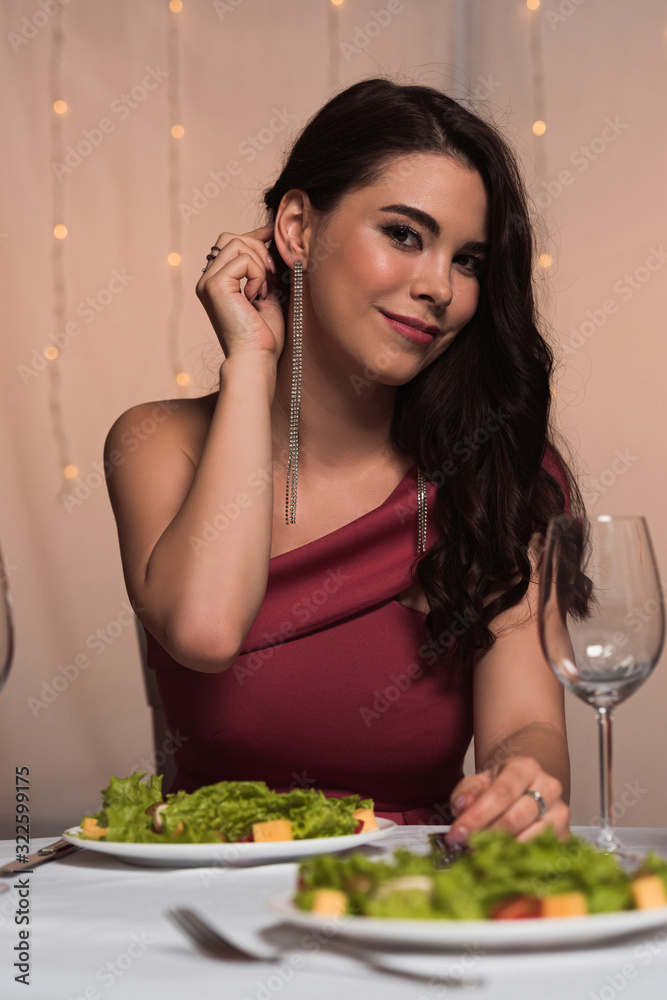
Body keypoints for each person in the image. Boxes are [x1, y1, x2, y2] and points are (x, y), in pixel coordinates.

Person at [104, 77, 582, 844]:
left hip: (406, 897)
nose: (437, 288)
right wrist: (251, 364)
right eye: (402, 234)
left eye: (467, 261)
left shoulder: (498, 472)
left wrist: (522, 778)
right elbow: (202, 629)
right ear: (296, 229)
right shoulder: (158, 443)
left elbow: (524, 724)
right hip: (203, 899)